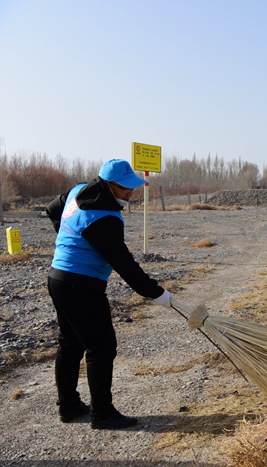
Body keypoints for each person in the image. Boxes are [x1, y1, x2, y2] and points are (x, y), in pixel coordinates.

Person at [46, 159, 174, 430]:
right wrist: (155, 293)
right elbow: (123, 263)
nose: (130, 193)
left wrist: (66, 240)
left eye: (132, 187)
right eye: (125, 188)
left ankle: (68, 406)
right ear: (107, 184)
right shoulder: (103, 217)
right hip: (81, 286)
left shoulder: (79, 190)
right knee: (101, 348)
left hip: (58, 277)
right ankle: (102, 414)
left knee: (70, 343)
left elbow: (52, 209)